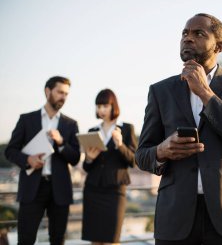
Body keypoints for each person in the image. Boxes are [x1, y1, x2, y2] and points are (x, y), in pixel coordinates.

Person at [135, 13, 222, 245]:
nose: (188, 38)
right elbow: (142, 155)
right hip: (175, 215)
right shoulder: (160, 91)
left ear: (219, 46)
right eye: (185, 33)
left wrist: (206, 94)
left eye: (198, 33)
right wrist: (162, 150)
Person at [5, 76, 81, 245]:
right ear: (47, 91)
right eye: (60, 92)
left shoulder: (71, 124)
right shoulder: (26, 120)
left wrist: (61, 143)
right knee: (25, 239)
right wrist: (28, 160)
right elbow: (10, 151)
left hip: (60, 190)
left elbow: (75, 158)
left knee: (58, 240)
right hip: (32, 188)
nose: (63, 97)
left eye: (66, 94)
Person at [81, 89, 137, 245]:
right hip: (93, 190)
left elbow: (133, 160)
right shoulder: (92, 131)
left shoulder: (126, 129)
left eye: (105, 106)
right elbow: (87, 167)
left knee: (112, 240)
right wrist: (90, 159)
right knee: (95, 240)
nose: (101, 110)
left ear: (113, 106)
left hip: (115, 191)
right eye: (98, 106)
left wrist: (120, 145)